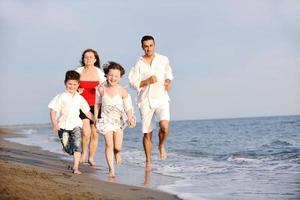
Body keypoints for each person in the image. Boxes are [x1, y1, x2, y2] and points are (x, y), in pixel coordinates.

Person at [128, 35, 174, 169]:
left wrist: (168, 81)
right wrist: (147, 81)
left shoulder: (163, 59)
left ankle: (161, 145)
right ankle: (148, 161)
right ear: (142, 47)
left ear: (154, 45)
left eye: (151, 45)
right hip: (145, 101)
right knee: (147, 132)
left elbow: (168, 74)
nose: (149, 48)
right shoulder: (138, 63)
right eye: (146, 46)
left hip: (161, 98)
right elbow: (132, 83)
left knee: (164, 127)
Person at [95, 61, 136, 178]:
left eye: (116, 76)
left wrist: (130, 118)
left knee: (117, 146)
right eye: (111, 75)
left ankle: (117, 152)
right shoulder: (101, 88)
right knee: (109, 144)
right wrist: (95, 118)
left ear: (120, 77)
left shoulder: (122, 90)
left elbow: (128, 107)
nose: (113, 78)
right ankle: (111, 170)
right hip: (105, 120)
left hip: (118, 121)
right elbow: (97, 104)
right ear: (107, 74)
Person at [48, 70, 94, 174]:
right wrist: (55, 124)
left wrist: (96, 121)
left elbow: (87, 112)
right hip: (62, 126)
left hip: (76, 125)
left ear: (78, 85)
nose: (72, 86)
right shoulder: (60, 97)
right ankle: (67, 149)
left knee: (77, 145)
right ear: (65, 83)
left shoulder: (80, 98)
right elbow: (53, 111)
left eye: (74, 84)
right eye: (70, 84)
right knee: (68, 149)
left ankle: (75, 168)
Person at [75, 48, 106, 167]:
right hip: (82, 105)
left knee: (94, 133)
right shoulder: (78, 71)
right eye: (86, 57)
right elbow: (71, 86)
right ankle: (83, 154)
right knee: (86, 132)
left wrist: (99, 89)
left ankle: (91, 158)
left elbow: (105, 89)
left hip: (96, 106)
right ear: (83, 59)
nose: (88, 59)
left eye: (90, 57)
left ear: (95, 59)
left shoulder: (99, 73)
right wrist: (78, 90)